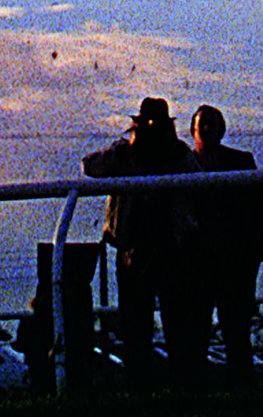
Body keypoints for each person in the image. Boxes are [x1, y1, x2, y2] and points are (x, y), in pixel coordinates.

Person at [80, 96, 195, 383]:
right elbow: (90, 167)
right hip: (133, 247)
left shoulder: (178, 154)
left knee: (176, 318)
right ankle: (141, 382)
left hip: (170, 245)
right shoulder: (126, 155)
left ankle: (180, 382)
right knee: (135, 321)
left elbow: (196, 178)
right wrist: (124, 148)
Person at [186, 105, 263, 385]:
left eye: (214, 125)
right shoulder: (182, 165)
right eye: (204, 125)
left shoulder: (241, 162)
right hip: (196, 263)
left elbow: (260, 209)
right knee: (195, 330)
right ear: (193, 131)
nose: (209, 130)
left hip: (236, 262)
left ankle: (241, 388)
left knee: (236, 330)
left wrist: (256, 253)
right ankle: (198, 391)